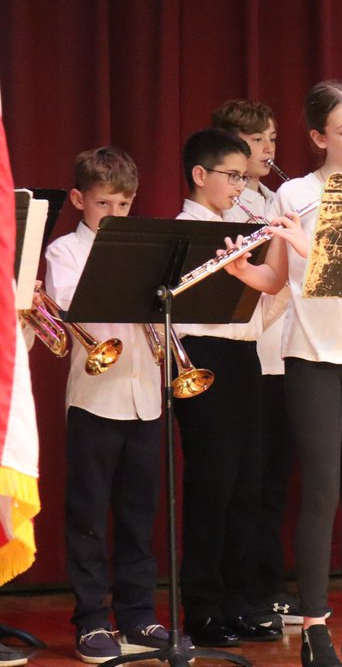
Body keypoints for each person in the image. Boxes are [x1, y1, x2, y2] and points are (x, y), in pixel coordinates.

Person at [224, 80, 342, 667]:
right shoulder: (292, 193)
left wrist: (309, 249)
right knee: (321, 492)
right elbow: (278, 280)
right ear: (320, 137)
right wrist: (247, 272)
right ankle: (317, 630)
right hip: (312, 357)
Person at [44, 148, 187, 662]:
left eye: (124, 205)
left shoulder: (147, 248)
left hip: (147, 397)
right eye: (104, 203)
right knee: (87, 516)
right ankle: (89, 621)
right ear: (80, 199)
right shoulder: (64, 251)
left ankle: (138, 615)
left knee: (138, 514)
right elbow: (72, 307)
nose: (114, 214)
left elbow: (173, 316)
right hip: (94, 401)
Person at [174, 130, 280, 646]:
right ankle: (203, 607)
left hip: (245, 358)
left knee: (248, 486)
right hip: (204, 360)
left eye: (245, 176)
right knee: (212, 486)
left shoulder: (241, 227)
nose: (242, 186)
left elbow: (265, 301)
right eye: (233, 176)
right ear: (200, 175)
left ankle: (239, 601)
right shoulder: (182, 233)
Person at [212, 99, 302, 623]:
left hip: (286, 352)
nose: (271, 148)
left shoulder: (276, 198)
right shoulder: (232, 206)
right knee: (244, 484)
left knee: (273, 483)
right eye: (260, 140)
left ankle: (269, 584)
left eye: (272, 138)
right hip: (250, 348)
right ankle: (240, 590)